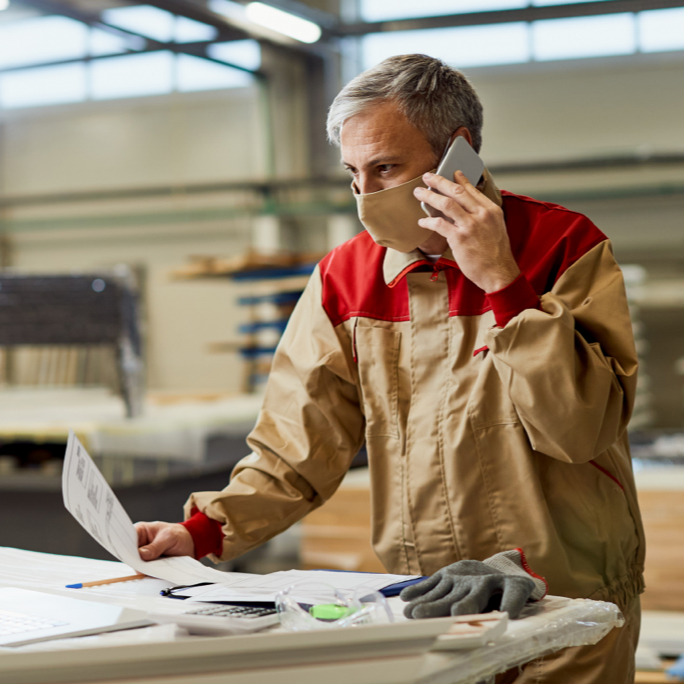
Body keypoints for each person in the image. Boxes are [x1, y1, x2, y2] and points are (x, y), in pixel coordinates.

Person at [136, 54, 644, 682]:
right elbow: (297, 449)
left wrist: (503, 285)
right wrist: (200, 532)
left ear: (460, 154)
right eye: (353, 174)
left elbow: (579, 428)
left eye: (386, 169)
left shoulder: (563, 247)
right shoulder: (342, 279)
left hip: (563, 606)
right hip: (423, 607)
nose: (366, 199)